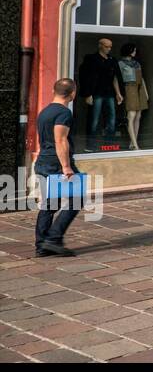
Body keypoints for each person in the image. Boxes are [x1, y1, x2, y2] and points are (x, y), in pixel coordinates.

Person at [34, 78, 81, 257]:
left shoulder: (44, 111)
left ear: (54, 91)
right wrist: (66, 167)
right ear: (73, 93)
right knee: (77, 199)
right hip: (57, 164)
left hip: (43, 161)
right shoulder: (64, 113)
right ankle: (53, 240)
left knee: (49, 204)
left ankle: (41, 246)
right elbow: (60, 140)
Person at [77, 37, 123, 150]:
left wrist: (118, 93)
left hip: (109, 93)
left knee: (112, 119)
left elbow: (115, 77)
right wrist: (88, 94)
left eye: (110, 47)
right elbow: (84, 76)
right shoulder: (91, 59)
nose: (109, 49)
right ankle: (91, 145)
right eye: (107, 46)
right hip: (96, 92)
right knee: (94, 120)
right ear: (100, 46)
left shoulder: (112, 60)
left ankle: (109, 144)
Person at [117, 42, 149, 151]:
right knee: (131, 115)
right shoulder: (120, 63)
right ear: (129, 51)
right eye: (133, 50)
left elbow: (142, 78)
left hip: (140, 88)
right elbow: (116, 78)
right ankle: (135, 145)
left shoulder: (136, 63)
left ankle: (133, 142)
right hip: (129, 87)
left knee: (138, 115)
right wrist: (118, 93)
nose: (135, 52)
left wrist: (146, 92)